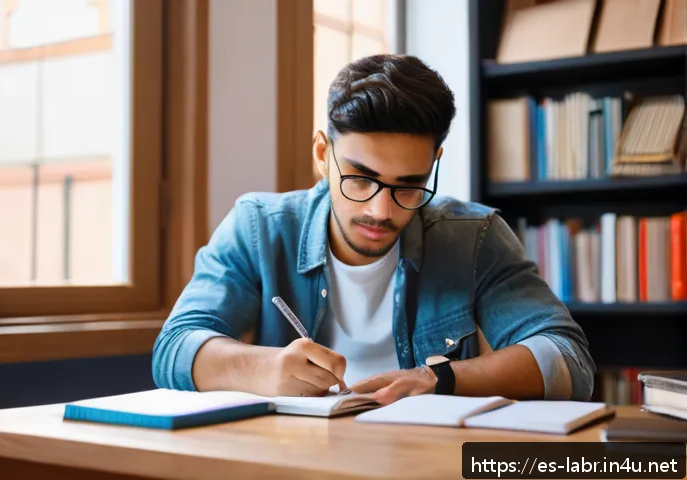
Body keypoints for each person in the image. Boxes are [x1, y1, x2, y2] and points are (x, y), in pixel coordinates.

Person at [152, 54, 595, 405]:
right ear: (322, 154)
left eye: (409, 186)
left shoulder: (474, 238)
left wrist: (437, 379)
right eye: (360, 179)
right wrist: (264, 369)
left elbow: (569, 360)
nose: (381, 210)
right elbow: (173, 349)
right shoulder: (259, 228)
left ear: (432, 165)